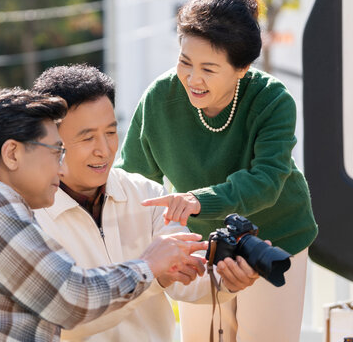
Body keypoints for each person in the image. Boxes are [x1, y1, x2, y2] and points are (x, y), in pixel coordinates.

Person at [0, 88, 210, 342]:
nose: (61, 168)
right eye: (55, 152)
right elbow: (70, 299)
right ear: (12, 153)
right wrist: (148, 265)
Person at [116, 0, 319, 342]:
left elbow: (268, 181)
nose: (193, 79)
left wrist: (196, 200)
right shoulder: (160, 98)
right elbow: (131, 178)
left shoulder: (272, 100)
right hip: (200, 243)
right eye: (184, 62)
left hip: (273, 237)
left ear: (242, 68)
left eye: (209, 69)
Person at [31, 64, 259, 341]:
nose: (104, 149)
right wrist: (149, 271)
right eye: (88, 137)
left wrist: (226, 278)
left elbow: (189, 280)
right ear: (51, 140)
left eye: (111, 132)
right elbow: (63, 319)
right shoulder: (30, 215)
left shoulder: (145, 194)